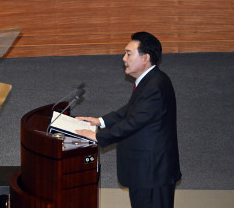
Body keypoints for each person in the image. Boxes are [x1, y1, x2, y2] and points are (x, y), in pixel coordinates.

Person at [76, 32, 181, 208]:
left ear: (145, 57)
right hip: (147, 171)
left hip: (152, 174)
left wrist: (99, 137)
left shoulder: (154, 86)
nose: (124, 58)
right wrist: (100, 121)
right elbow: (132, 110)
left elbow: (133, 122)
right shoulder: (151, 80)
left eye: (128, 53)